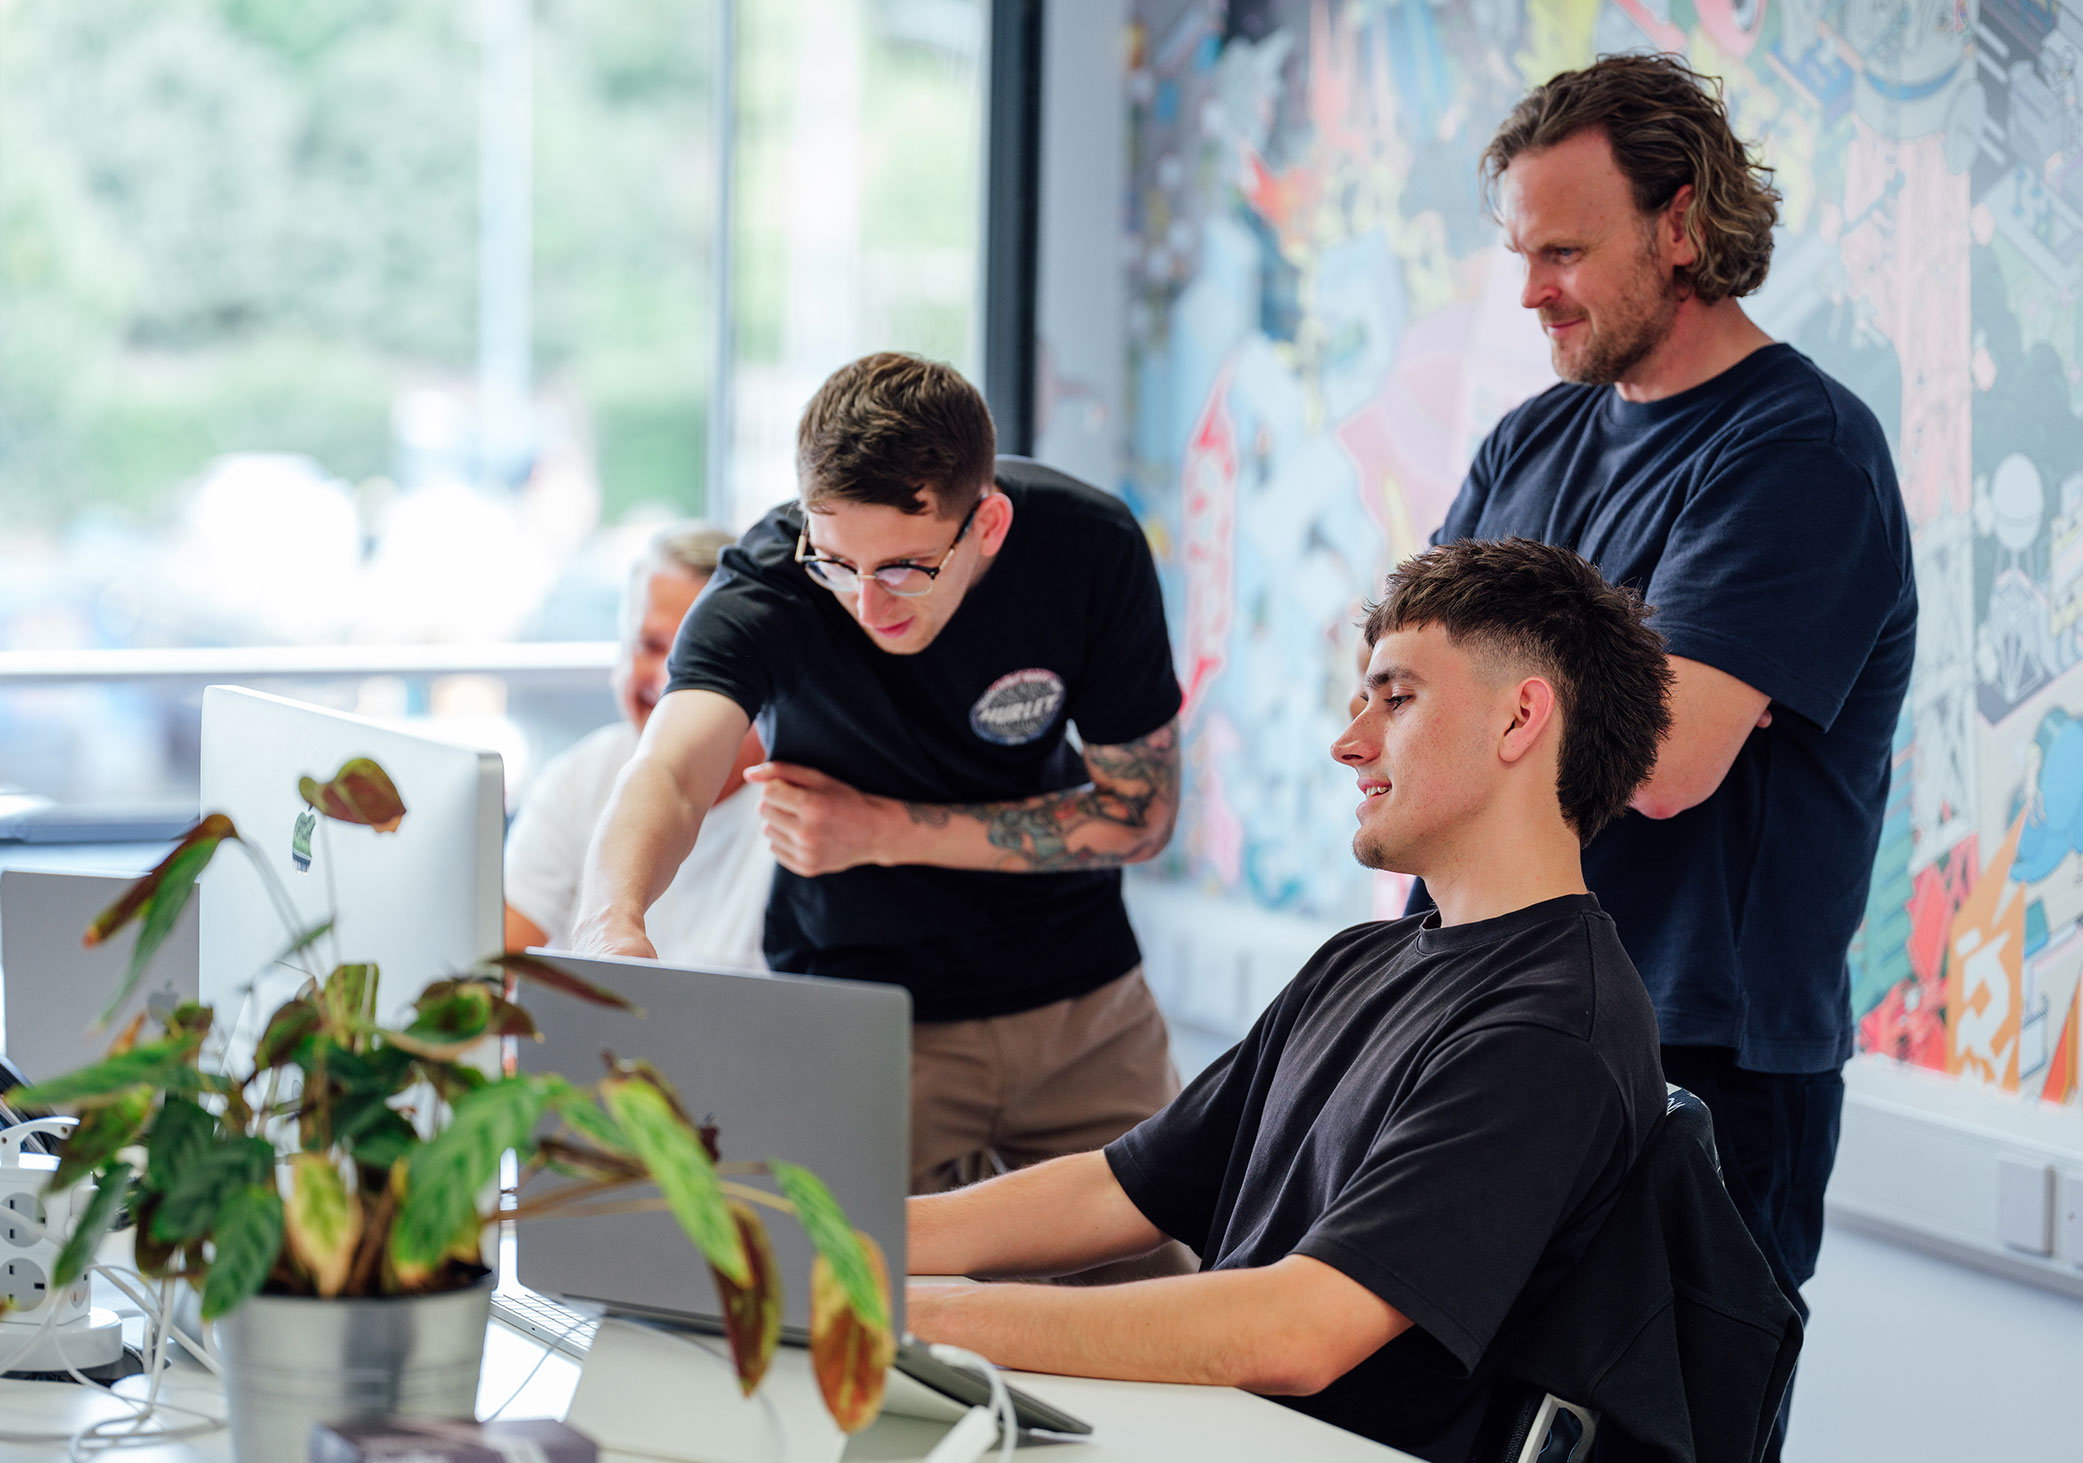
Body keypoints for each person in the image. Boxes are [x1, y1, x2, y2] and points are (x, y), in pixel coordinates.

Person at [905, 538, 1673, 1462]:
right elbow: (1123, 1185)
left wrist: (918, 1312)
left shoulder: (1552, 1032)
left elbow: (1295, 1330)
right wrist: (847, 1236)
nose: (1349, 741)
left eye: (1396, 698)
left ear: (1519, 720)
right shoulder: (1364, 958)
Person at [1419, 54, 1917, 1448]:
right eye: (1521, 255)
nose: (1530, 292)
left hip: (1694, 1063)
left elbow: (1661, 758)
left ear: (1680, 225)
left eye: (1565, 251)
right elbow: (1396, 700)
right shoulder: (1534, 439)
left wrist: (1471, 710)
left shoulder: (1797, 451)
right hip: (1481, 1013)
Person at [571, 352, 1186, 1197]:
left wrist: (881, 831)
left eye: (903, 566)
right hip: (856, 1012)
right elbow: (669, 772)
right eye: (836, 563)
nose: (868, 603)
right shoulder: (772, 584)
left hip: (1078, 1006)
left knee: (1146, 1297)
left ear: (989, 525)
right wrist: (612, 922)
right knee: (849, 1303)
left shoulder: (1088, 549)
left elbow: (1141, 814)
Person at [504, 523, 771, 968]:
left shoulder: (806, 808)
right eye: (650, 646)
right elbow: (493, 970)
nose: (673, 681)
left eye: (702, 656)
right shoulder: (577, 780)